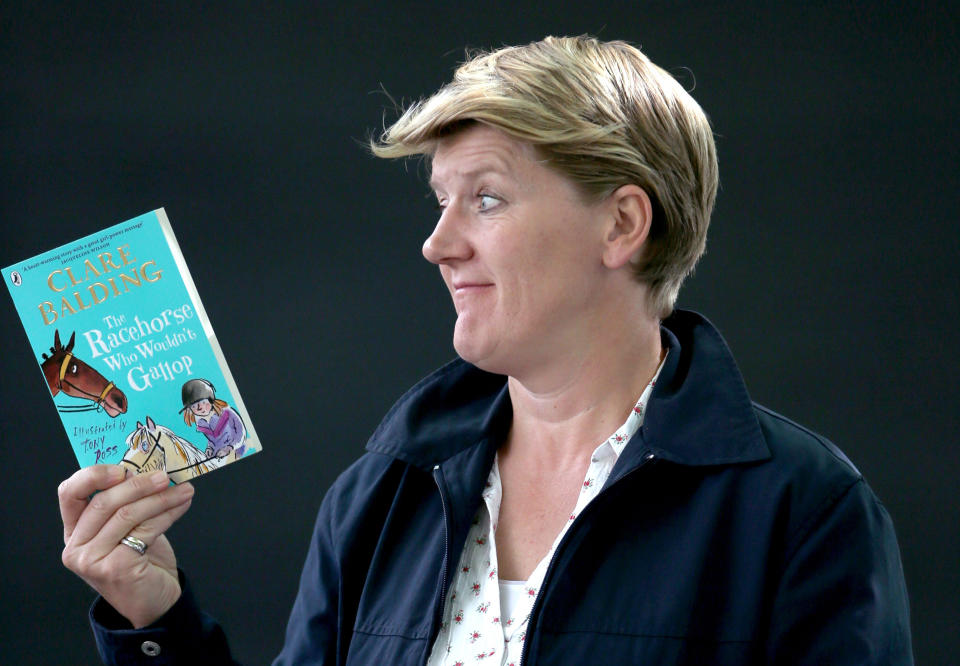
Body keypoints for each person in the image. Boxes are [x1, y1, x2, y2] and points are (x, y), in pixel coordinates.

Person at [57, 35, 913, 664]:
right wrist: (153, 619)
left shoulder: (806, 511)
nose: (438, 244)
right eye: (439, 201)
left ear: (621, 224)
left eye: (488, 199)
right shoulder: (378, 499)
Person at [179, 378, 247, 460]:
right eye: (194, 406)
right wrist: (210, 448)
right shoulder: (201, 423)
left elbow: (241, 432)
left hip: (236, 450)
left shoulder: (227, 412)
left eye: (203, 402)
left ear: (211, 399)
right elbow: (213, 439)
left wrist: (229, 448)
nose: (200, 408)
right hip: (217, 456)